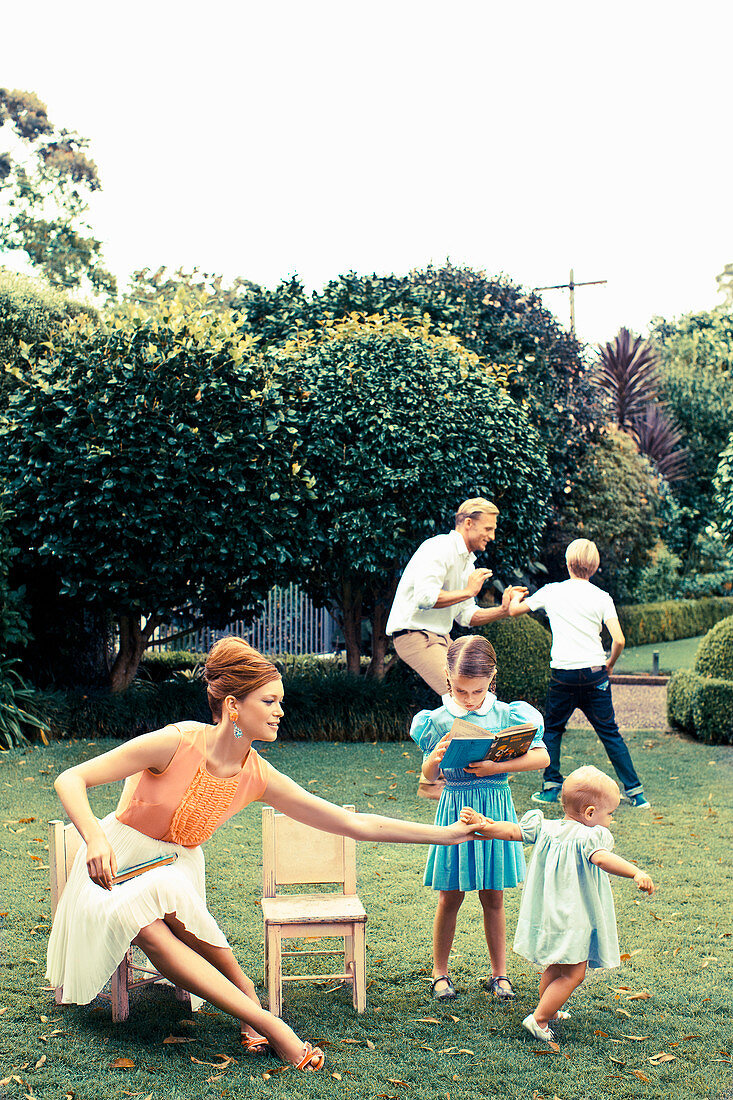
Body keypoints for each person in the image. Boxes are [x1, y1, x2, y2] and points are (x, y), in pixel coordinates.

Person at [46, 636, 486, 1074]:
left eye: (280, 701)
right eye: (270, 701)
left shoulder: (258, 774)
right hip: (113, 866)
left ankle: (250, 1007)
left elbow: (353, 824)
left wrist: (443, 835)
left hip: (175, 869)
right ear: (234, 706)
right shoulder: (175, 742)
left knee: (169, 900)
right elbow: (71, 779)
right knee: (144, 919)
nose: (280, 711)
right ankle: (269, 1023)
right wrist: (96, 839)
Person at [460, 766, 656, 1044]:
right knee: (574, 973)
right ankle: (539, 1018)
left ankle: (548, 1010)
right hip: (574, 915)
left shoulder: (546, 827)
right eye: (609, 814)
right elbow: (602, 860)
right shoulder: (590, 837)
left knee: (556, 965)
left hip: (549, 913)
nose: (610, 820)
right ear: (590, 813)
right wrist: (636, 872)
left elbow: (513, 831)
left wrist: (485, 824)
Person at [409, 635, 549, 1001]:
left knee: (494, 896)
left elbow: (542, 759)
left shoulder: (510, 714)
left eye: (477, 690)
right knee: (449, 896)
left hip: (495, 806)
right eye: (460, 691)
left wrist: (495, 766)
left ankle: (499, 974)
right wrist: (434, 759)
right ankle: (440, 973)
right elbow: (428, 774)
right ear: (447, 678)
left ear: (492, 678)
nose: (469, 700)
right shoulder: (437, 720)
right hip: (454, 807)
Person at [509, 538, 650, 809]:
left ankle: (551, 787)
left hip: (563, 675)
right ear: (595, 567)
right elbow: (618, 640)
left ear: (567, 563)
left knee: (552, 730)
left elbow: (514, 610)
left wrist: (514, 596)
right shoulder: (602, 597)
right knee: (610, 732)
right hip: (595, 674)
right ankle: (636, 793)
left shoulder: (551, 592)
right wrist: (610, 663)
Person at [386, 497, 527, 698]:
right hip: (416, 636)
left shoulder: (467, 562)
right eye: (488, 529)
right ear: (469, 523)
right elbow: (425, 598)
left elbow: (466, 617)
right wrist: (469, 591)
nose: (492, 536)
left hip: (442, 639)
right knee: (464, 695)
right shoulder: (439, 547)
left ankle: (457, 730)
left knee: (479, 694)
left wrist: (504, 610)